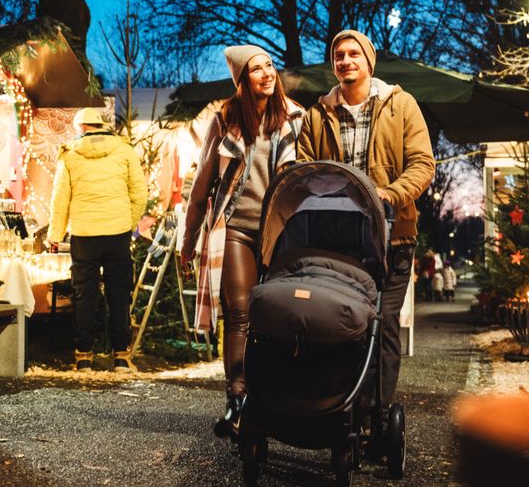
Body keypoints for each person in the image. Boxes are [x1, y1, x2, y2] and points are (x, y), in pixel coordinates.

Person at [296, 29, 435, 417]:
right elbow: (303, 169)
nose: (345, 60)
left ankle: (376, 412)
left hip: (393, 237)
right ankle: (333, 404)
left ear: (368, 61)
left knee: (384, 322)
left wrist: (389, 194)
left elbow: (423, 164)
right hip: (337, 239)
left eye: (353, 53)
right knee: (336, 319)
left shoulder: (400, 105)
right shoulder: (317, 115)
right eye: (339, 55)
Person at [181, 45, 303, 437]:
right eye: (256, 69)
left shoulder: (295, 118)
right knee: (238, 314)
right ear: (241, 80)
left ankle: (276, 398)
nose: (267, 73)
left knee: (277, 317)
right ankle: (237, 402)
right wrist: (189, 238)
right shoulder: (225, 120)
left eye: (269, 65)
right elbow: (203, 185)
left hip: (279, 231)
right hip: (234, 227)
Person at [48, 107, 147, 372]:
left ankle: (83, 357)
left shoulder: (69, 155)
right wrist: (127, 221)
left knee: (85, 296)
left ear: (81, 128)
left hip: (84, 235)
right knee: (118, 294)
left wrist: (55, 235)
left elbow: (60, 199)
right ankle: (121, 356)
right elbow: (139, 192)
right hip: (117, 234)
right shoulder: (125, 150)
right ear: (101, 125)